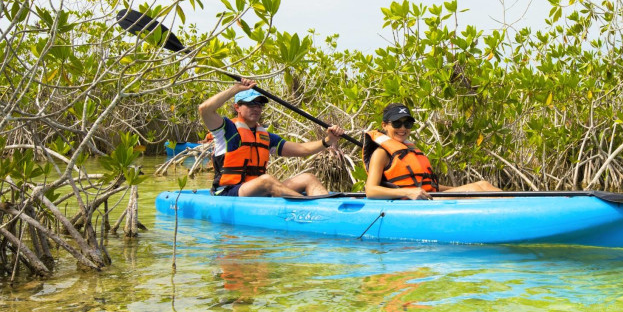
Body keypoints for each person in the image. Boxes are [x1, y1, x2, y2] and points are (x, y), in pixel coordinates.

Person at [199, 78, 345, 197]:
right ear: (237, 107)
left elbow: (302, 149)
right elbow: (205, 109)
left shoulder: (266, 137)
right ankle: (307, 207)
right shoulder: (226, 130)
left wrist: (328, 141)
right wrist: (235, 89)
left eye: (260, 105)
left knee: (308, 178)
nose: (256, 108)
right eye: (251, 104)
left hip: (258, 191)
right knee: (267, 181)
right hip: (228, 193)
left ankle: (328, 209)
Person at [363, 103, 501, 200]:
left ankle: (520, 205)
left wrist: (457, 189)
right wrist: (408, 192)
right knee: (475, 191)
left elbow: (426, 186)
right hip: (411, 204)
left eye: (408, 124)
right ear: (384, 125)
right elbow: (371, 190)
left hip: (428, 197)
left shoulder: (409, 150)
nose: (403, 128)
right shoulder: (381, 153)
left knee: (483, 184)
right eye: (397, 123)